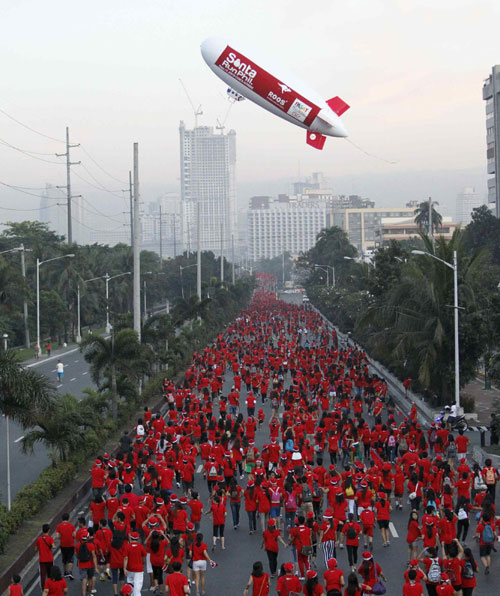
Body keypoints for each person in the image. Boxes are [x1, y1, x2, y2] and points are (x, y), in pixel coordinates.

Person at [123, 532, 146, 596]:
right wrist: (143, 562)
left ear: (130, 538)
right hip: (139, 569)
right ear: (138, 538)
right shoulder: (141, 547)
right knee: (137, 588)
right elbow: (144, 557)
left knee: (130, 586)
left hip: (130, 569)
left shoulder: (127, 546)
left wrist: (124, 568)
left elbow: (125, 558)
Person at [75, 530, 97, 596]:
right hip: (90, 565)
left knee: (84, 580)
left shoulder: (78, 545)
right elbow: (94, 556)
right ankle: (89, 593)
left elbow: (76, 554)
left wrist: (79, 558)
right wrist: (95, 567)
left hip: (81, 565)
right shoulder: (91, 545)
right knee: (90, 579)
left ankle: (84, 594)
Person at [56, 513, 75, 580]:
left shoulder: (59, 526)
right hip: (70, 544)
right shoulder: (71, 526)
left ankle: (65, 572)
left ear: (62, 518)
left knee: (64, 559)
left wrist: (62, 536)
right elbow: (74, 535)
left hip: (63, 545)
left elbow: (57, 536)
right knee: (70, 559)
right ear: (68, 518)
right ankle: (70, 572)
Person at [36, 523, 55, 589]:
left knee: (42, 575)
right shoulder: (50, 538)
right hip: (50, 559)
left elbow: (35, 549)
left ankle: (43, 588)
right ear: (49, 530)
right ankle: (51, 586)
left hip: (42, 560)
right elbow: (54, 546)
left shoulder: (39, 539)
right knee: (50, 574)